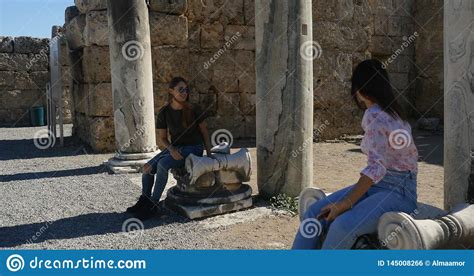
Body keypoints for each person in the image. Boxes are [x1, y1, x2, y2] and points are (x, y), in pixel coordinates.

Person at [292, 59, 419, 249]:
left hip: (397, 192)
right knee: (315, 212)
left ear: (359, 90)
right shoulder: (394, 113)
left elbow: (376, 167)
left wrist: (344, 204)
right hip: (381, 186)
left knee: (341, 225)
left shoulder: (375, 115)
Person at [126, 76, 213, 220]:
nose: (185, 92)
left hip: (194, 148)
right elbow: (163, 138)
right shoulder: (164, 112)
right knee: (147, 167)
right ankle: (145, 200)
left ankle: (153, 205)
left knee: (162, 164)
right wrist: (171, 149)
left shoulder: (194, 109)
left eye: (186, 89)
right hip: (176, 147)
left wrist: (209, 153)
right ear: (171, 91)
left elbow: (204, 131)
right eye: (181, 90)